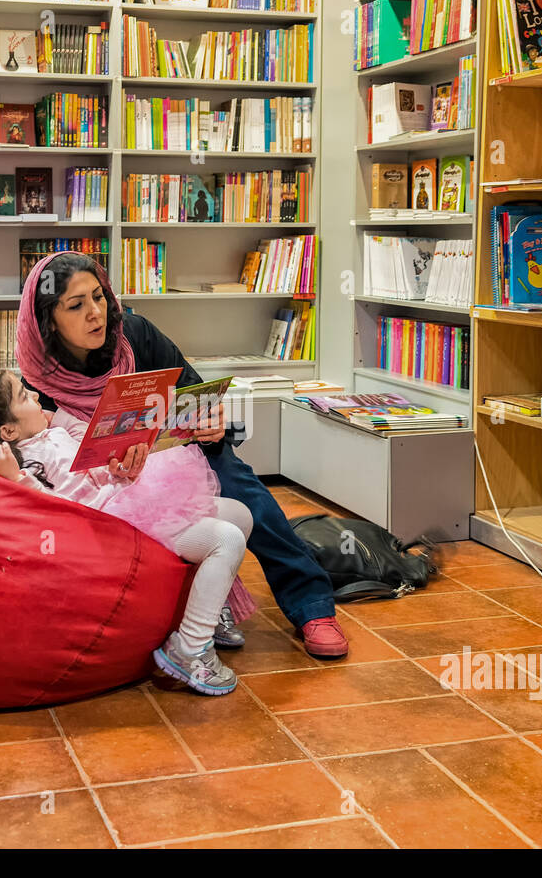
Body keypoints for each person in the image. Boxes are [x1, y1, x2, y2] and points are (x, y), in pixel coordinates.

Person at [17, 251, 349, 658]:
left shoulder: (135, 335)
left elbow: (196, 396)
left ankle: (312, 606)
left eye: (99, 297)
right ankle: (195, 609)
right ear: (49, 320)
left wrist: (212, 425)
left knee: (247, 492)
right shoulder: (36, 381)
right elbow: (42, 457)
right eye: (76, 305)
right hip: (102, 484)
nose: (96, 313)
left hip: (175, 458)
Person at [0, 369, 252, 696]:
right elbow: (50, 508)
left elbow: (93, 457)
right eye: (25, 396)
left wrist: (123, 460)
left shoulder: (53, 430)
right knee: (226, 539)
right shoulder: (27, 460)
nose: (37, 397)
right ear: (9, 430)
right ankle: (192, 648)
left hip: (132, 496)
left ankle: (206, 612)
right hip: (116, 524)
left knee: (240, 515)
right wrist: (15, 479)